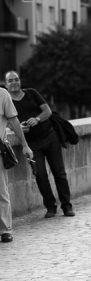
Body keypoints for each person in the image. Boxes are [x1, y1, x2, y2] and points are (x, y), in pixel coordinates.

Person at [4, 71, 75, 218]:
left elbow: (47, 111)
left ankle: (67, 206)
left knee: (59, 172)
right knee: (41, 175)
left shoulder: (31, 93)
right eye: (10, 81)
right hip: (32, 144)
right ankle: (51, 207)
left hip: (50, 137)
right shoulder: (6, 101)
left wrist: (37, 119)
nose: (14, 82)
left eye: (16, 79)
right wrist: (19, 128)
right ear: (6, 84)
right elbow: (9, 122)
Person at [1, 88, 33, 243]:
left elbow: (13, 121)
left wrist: (25, 145)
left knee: (1, 191)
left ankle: (5, 229)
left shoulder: (2, 94)